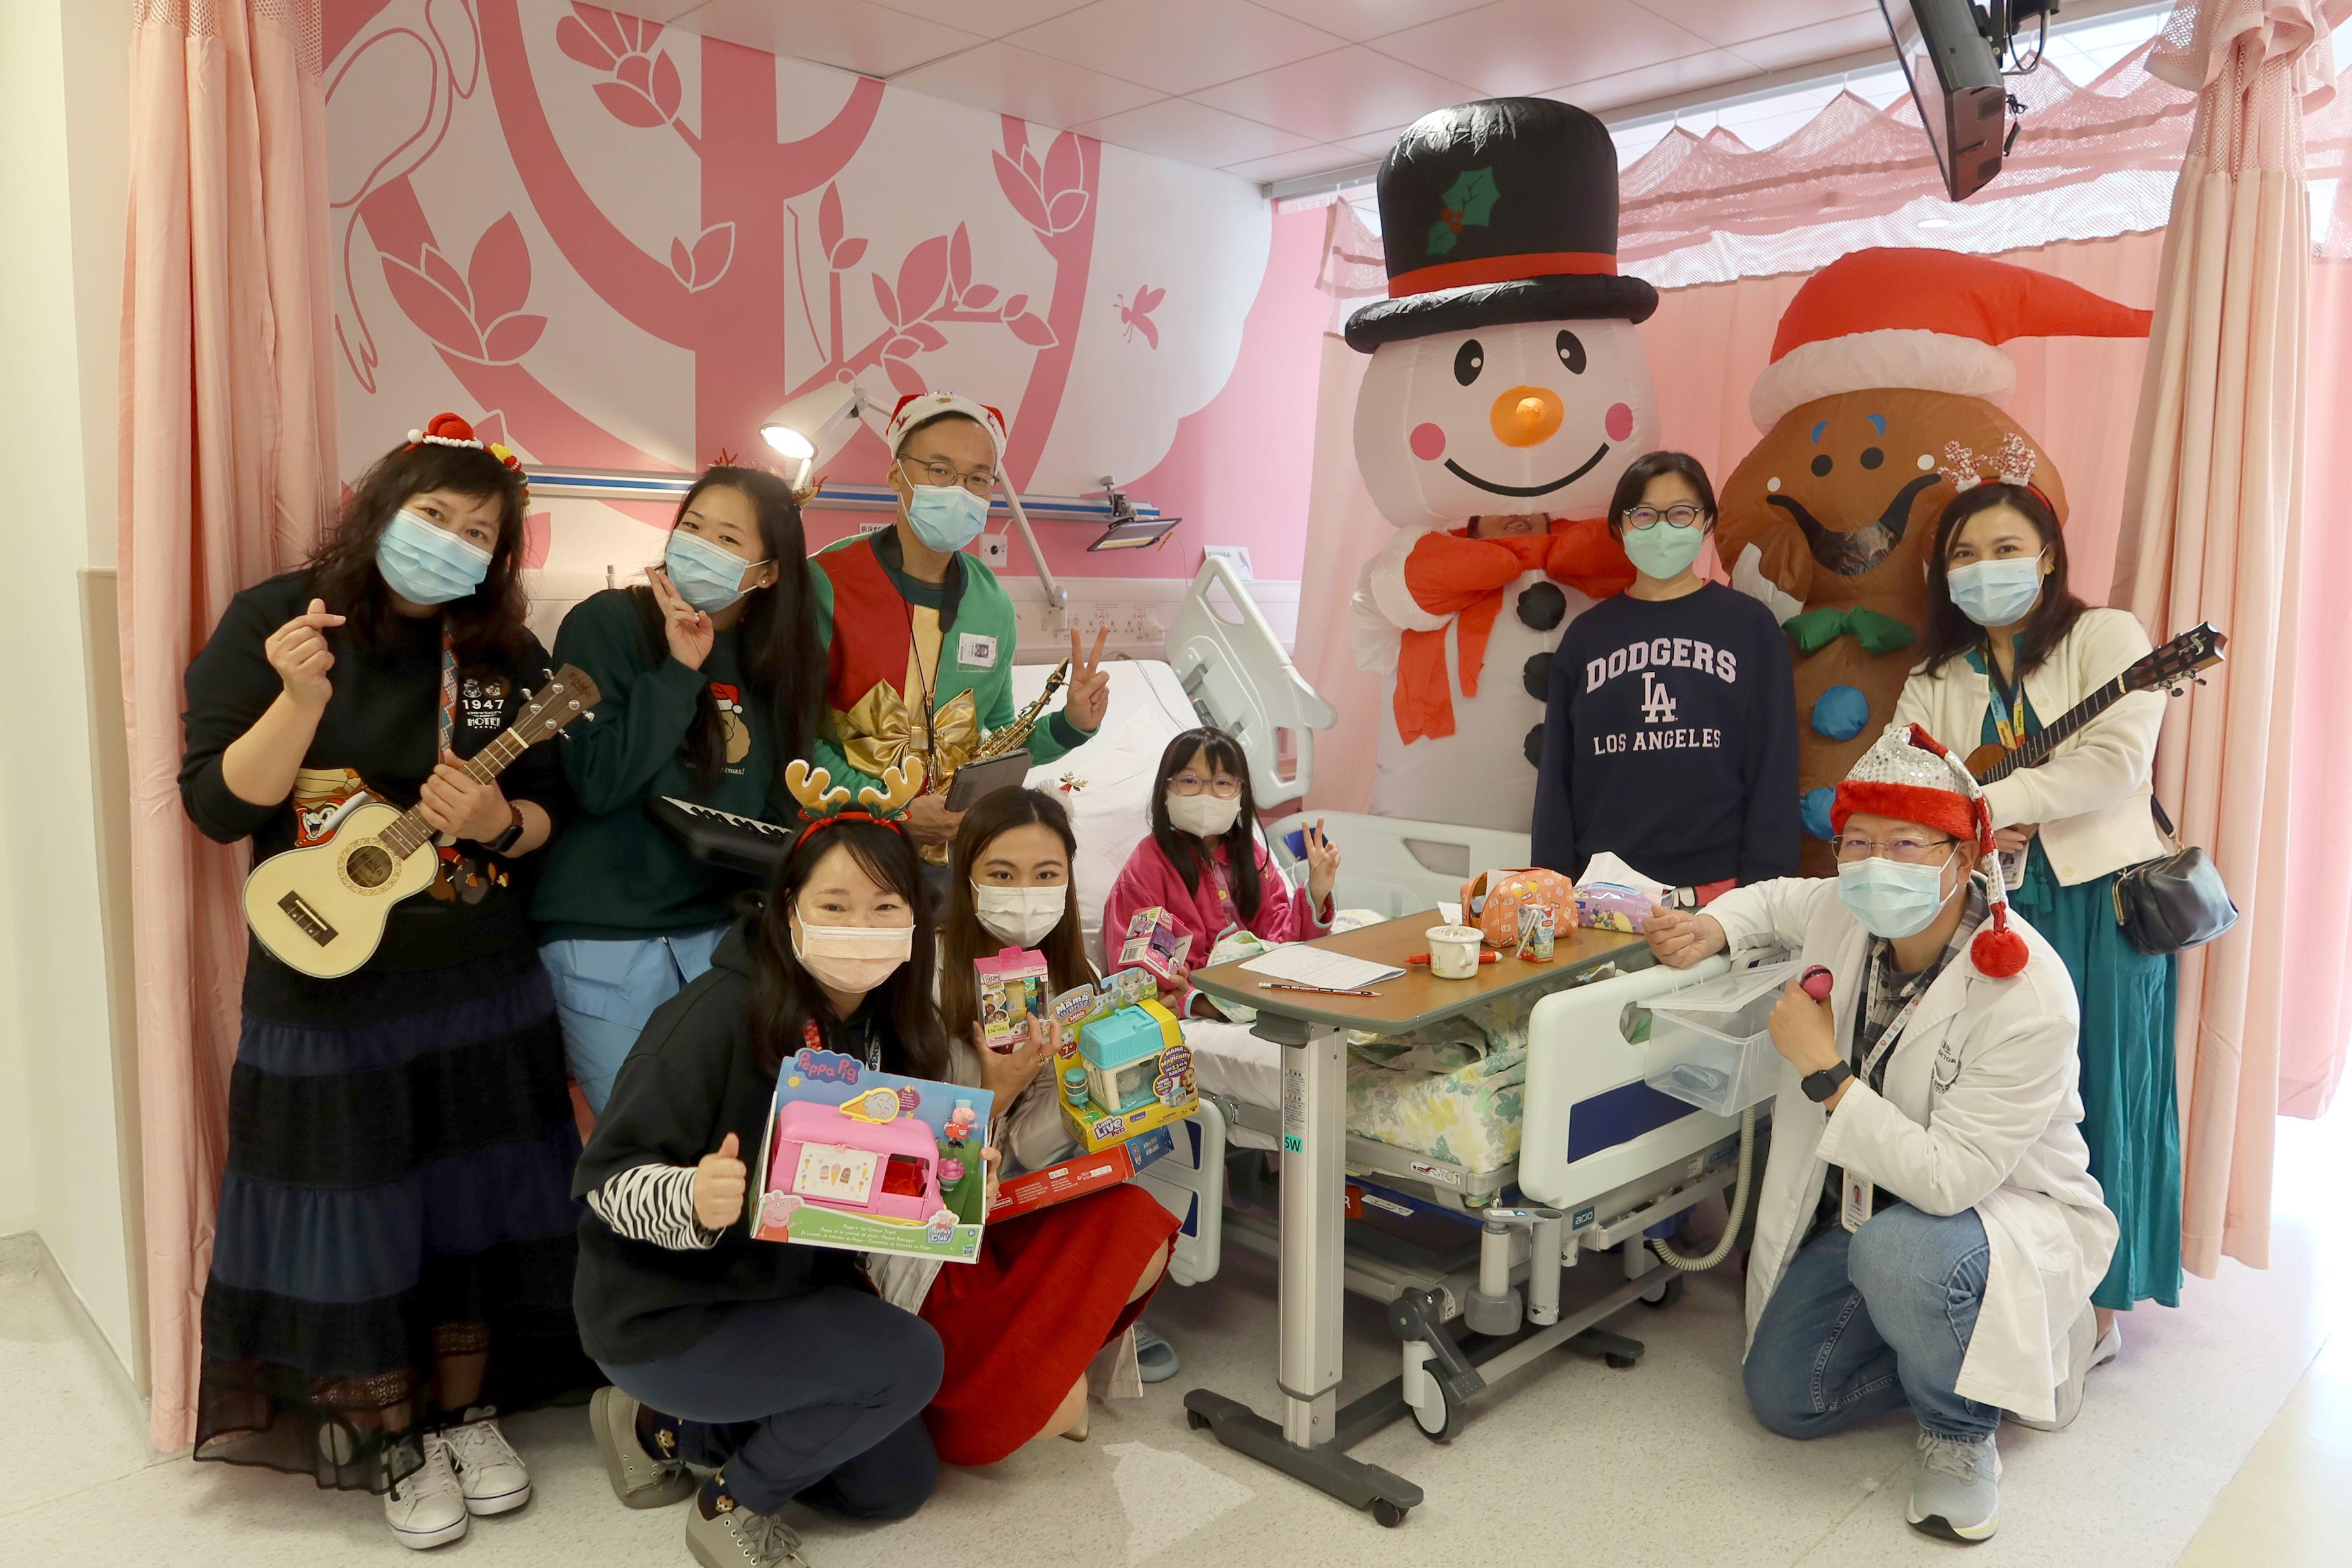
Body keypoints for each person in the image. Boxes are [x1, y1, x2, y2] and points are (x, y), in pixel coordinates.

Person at [179, 413, 593, 1550]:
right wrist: (298, 703)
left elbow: (556, 813)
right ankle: (392, 1429)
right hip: (327, 992)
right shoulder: (278, 619)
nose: (450, 542)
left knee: (474, 1208)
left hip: (481, 981)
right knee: (360, 1210)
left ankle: (468, 1411)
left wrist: (502, 817)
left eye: (478, 531)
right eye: (433, 515)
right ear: (379, 506)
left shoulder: (505, 658)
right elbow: (218, 806)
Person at [1644, 721, 2116, 1547]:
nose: (1874, 864)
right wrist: (1716, 925)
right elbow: (1773, 898)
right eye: (1856, 841)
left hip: (1980, 1219)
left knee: (1901, 1254)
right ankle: (1962, 1353)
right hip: (1870, 1206)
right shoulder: (1843, 908)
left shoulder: (2025, 989)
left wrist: (1825, 1071)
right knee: (1785, 1397)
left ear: (1963, 857)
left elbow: (1950, 1181)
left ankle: (1961, 1429)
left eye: (1905, 841)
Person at [575, 805, 948, 1568]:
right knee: (909, 1361)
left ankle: (662, 1427)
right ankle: (730, 1503)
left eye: (886, 907)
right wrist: (693, 1198)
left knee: (890, 1486)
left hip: (782, 1291)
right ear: (789, 910)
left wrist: (952, 1179)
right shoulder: (710, 1020)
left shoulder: (891, 1020)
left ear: (915, 920)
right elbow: (604, 1181)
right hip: (671, 1310)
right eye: (835, 905)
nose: (861, 926)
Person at [1894, 477, 2179, 1355]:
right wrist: (1965, 812)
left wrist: (1992, 794)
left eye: (2006, 548)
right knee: (2002, 1100)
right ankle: (2009, 1284)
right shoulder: (1936, 675)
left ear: (2049, 555)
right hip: (1989, 908)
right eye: (1966, 556)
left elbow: (2118, 761)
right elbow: (1899, 773)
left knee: (2104, 1089)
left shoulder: (2109, 637)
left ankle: (2100, 1309)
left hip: (2101, 898)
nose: (1987, 569)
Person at [534, 464, 825, 1113]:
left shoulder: (775, 661)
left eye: (728, 539)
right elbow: (597, 781)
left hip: (721, 939)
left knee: (737, 1146)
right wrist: (678, 669)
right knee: (645, 1151)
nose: (701, 546)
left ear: (768, 572)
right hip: (608, 937)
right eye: (692, 527)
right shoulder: (606, 623)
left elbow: (779, 814)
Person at [936, 787, 1183, 1383]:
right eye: (1002, 873)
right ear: (967, 878)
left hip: (1042, 1192)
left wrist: (1133, 1056)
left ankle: (1055, 1351)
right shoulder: (932, 973)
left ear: (1068, 881)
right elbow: (923, 1157)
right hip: (952, 1216)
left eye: (1046, 874)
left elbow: (1049, 1141)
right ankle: (1030, 1360)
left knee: (1141, 1230)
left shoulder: (1077, 975)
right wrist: (994, 1092)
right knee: (1040, 1402)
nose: (1025, 892)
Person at [807, 391, 1110, 877]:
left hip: (949, 856)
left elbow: (999, 738)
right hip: (845, 844)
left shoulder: (991, 604)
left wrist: (1071, 724)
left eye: (977, 479)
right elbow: (793, 732)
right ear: (896, 475)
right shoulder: (826, 582)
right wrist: (894, 811)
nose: (959, 491)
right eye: (940, 470)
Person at [1532, 450, 1799, 897]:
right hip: (1602, 888)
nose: (1662, 528)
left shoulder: (1749, 627)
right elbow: (1556, 776)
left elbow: (1775, 764)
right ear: (1620, 526)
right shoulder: (1586, 638)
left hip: (1717, 888)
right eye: (1644, 515)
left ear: (1706, 522)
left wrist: (1766, 893)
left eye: (1680, 513)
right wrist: (1549, 885)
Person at [1102, 727, 1341, 1019]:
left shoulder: (1249, 854)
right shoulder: (1147, 868)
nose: (1207, 794)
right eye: (1190, 781)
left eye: (1223, 782)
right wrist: (1207, 1006)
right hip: (1209, 995)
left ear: (1241, 793)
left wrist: (1316, 894)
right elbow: (1135, 970)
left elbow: (1278, 933)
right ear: (1166, 788)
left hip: (1259, 982)